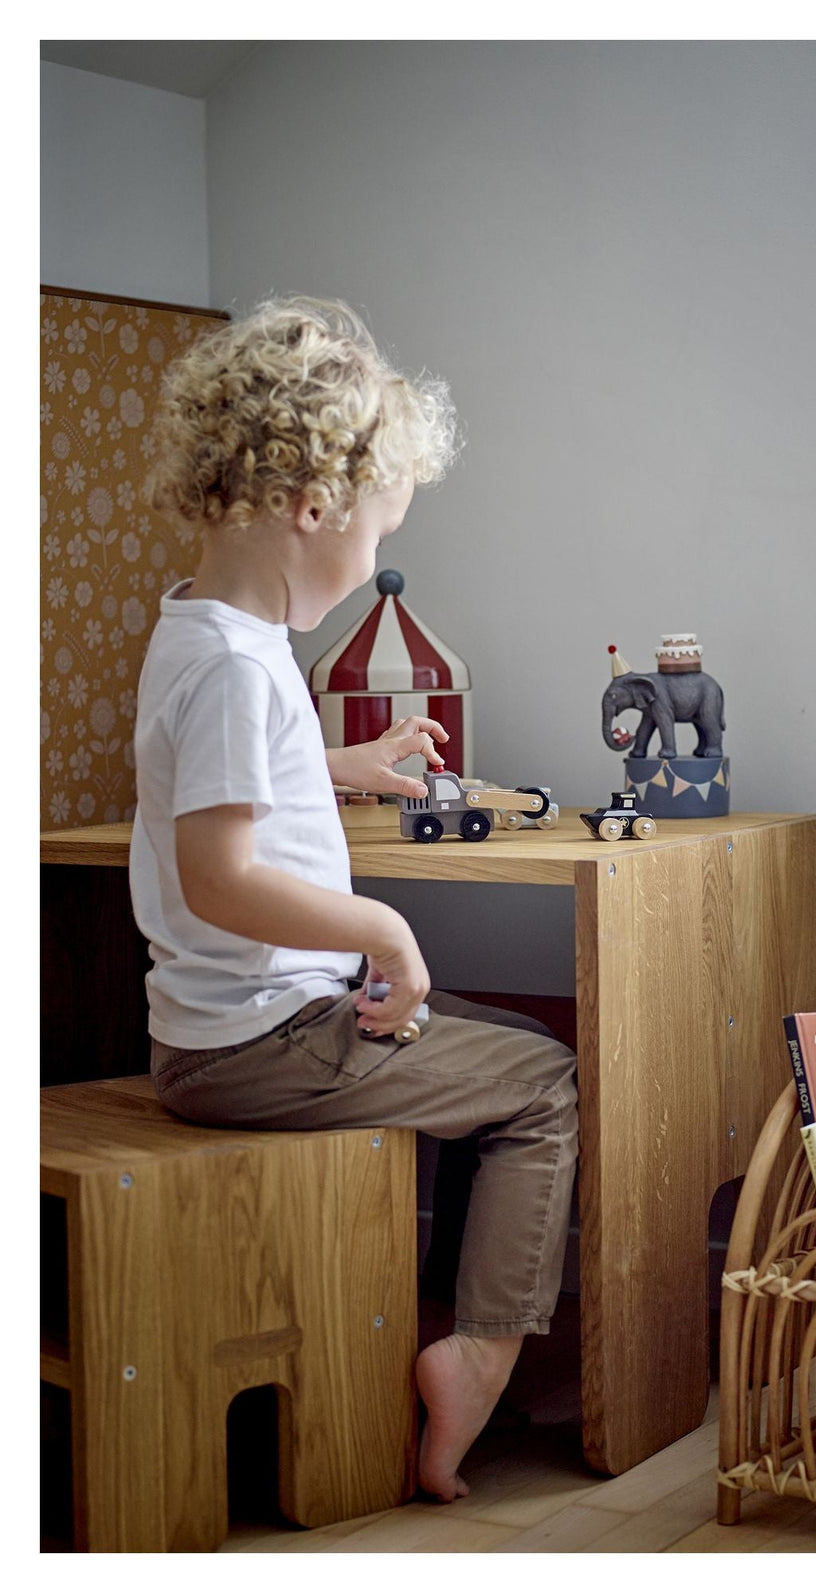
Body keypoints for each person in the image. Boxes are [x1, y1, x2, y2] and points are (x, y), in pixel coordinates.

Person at [130, 295, 578, 1503]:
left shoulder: (199, 633)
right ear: (310, 506)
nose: (378, 556)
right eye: (381, 527)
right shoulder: (239, 665)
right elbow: (219, 875)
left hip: (213, 1035)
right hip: (264, 1044)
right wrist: (384, 926)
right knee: (543, 1080)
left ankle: (432, 1313)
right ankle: (477, 1359)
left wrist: (339, 769)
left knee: (508, 1049)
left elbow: (220, 788)